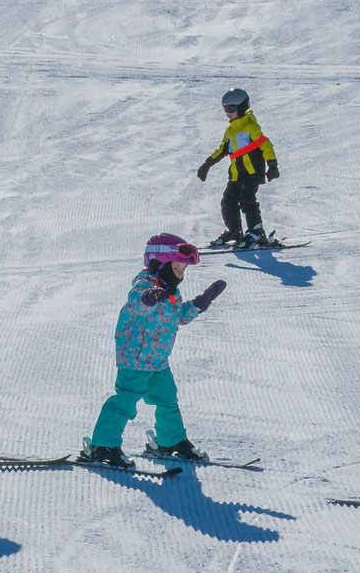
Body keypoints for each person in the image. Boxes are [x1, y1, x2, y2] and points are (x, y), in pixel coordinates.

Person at [79, 234, 225, 468]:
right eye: (177, 267)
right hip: (135, 358)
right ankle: (102, 445)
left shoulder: (171, 292)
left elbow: (177, 316)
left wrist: (199, 304)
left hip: (158, 360)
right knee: (125, 401)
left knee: (168, 399)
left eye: (183, 269)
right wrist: (150, 298)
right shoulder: (145, 285)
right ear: (159, 263)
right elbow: (137, 304)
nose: (181, 274)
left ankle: (170, 441)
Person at [196, 87, 279, 248]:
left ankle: (257, 232)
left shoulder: (251, 127)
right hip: (235, 174)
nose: (227, 112)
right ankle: (234, 231)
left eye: (231, 109)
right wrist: (206, 165)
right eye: (225, 109)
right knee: (228, 202)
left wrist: (272, 165)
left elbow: (265, 145)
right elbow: (222, 150)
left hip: (251, 173)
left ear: (241, 108)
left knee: (247, 200)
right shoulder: (230, 130)